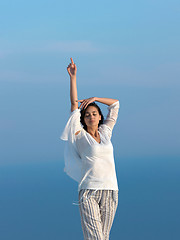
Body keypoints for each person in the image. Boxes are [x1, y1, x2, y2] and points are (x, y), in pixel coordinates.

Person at [60, 58, 120, 240]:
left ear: (100, 117)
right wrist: (73, 78)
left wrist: (95, 98)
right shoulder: (80, 134)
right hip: (89, 191)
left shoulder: (106, 132)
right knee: (96, 238)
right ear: (83, 119)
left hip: (111, 190)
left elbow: (115, 104)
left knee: (104, 236)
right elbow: (73, 106)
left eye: (94, 113)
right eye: (87, 115)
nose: (91, 116)